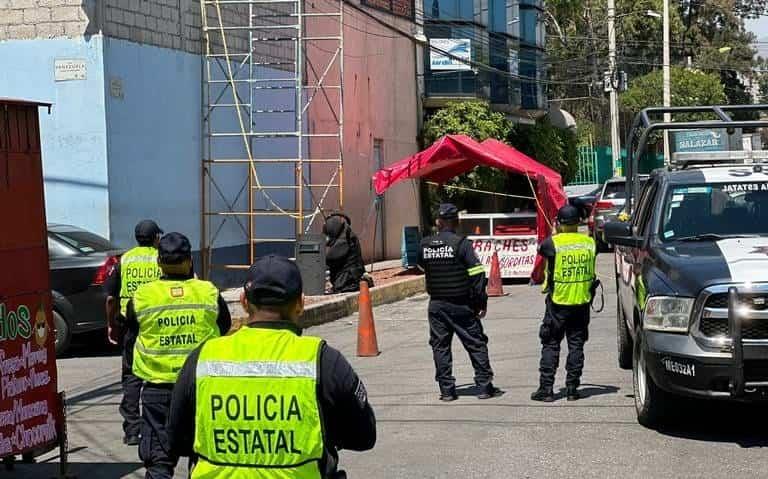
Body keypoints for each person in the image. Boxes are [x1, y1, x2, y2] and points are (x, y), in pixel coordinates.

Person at [167, 255, 376, 478]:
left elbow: (177, 440)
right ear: (300, 304)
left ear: (244, 301)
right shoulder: (322, 360)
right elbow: (363, 436)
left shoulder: (203, 358)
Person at [124, 232, 231, 479]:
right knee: (205, 459)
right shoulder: (208, 292)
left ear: (159, 262)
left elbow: (130, 338)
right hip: (201, 389)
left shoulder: (142, 297)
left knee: (159, 462)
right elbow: (224, 327)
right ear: (189, 261)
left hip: (157, 391)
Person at [418, 203, 501, 401]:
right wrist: (480, 302)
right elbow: (477, 274)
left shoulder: (425, 244)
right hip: (461, 304)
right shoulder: (461, 244)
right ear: (456, 222)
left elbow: (422, 265)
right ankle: (484, 387)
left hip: (437, 305)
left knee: (440, 346)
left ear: (438, 222)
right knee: (476, 343)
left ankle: (446, 390)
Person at [104, 219, 164, 446]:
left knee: (131, 377)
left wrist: (111, 324)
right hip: (156, 323)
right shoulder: (161, 258)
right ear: (156, 237)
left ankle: (132, 430)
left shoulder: (124, 260)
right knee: (157, 374)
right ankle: (157, 425)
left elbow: (111, 298)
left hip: (130, 324)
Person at [531, 204, 597, 402]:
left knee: (551, 344)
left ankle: (546, 389)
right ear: (579, 222)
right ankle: (572, 388)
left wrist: (554, 232)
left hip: (558, 303)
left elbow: (541, 249)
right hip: (581, 303)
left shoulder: (553, 243)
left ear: (559, 223)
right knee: (576, 345)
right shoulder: (590, 243)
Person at [323, 212, 367, 293]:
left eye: (328, 235)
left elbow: (330, 258)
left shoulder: (344, 239)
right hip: (352, 278)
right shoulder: (346, 233)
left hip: (348, 282)